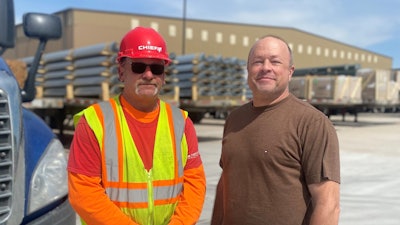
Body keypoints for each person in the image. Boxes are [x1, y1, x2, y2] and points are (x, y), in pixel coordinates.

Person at [67, 26, 206, 225]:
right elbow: (83, 193)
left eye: (156, 68)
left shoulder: (181, 123)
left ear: (164, 76)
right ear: (121, 72)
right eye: (138, 66)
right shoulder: (94, 122)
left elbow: (194, 185)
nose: (149, 75)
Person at [211, 35, 340, 225]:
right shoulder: (234, 119)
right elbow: (226, 183)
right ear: (248, 70)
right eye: (257, 62)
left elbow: (328, 204)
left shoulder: (312, 123)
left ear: (290, 71)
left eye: (275, 61)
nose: (265, 67)